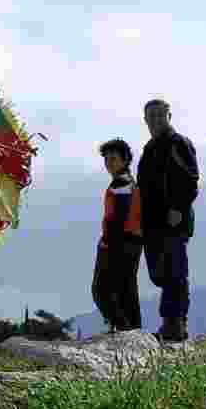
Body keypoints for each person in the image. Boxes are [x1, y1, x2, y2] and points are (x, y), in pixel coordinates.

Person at [136, 98, 200, 342]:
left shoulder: (178, 143)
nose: (155, 120)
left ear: (169, 116)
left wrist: (177, 208)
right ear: (145, 120)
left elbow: (191, 180)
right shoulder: (150, 147)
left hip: (173, 221)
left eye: (160, 115)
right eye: (151, 116)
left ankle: (175, 325)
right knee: (159, 273)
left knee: (175, 273)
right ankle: (171, 322)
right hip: (152, 222)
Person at [92, 138, 144, 334]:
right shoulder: (127, 182)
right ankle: (132, 329)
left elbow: (118, 219)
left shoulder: (121, 184)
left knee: (101, 290)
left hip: (120, 243)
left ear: (125, 160)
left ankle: (124, 328)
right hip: (132, 242)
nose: (108, 164)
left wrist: (106, 243)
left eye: (113, 159)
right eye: (106, 160)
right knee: (126, 288)